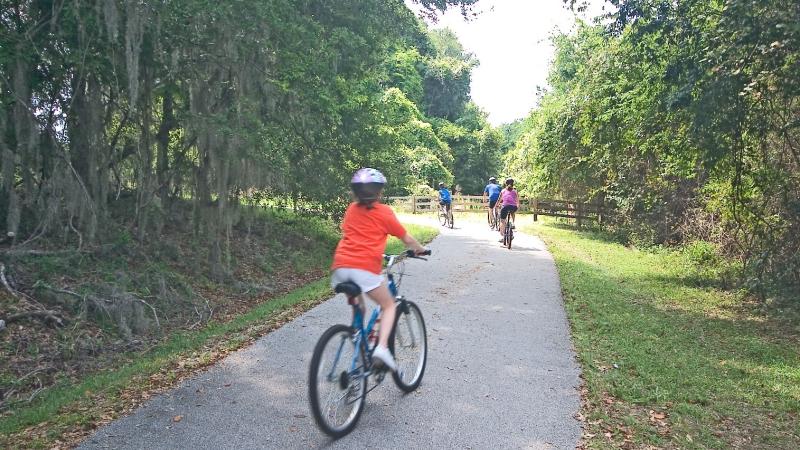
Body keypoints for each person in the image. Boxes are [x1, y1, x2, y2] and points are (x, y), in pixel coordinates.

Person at [331, 168, 427, 372]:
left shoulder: (350, 209)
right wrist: (420, 249)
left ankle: (357, 349)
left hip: (340, 267)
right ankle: (382, 349)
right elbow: (406, 238)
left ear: (355, 193)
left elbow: (353, 234)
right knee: (389, 305)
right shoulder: (384, 212)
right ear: (379, 192)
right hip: (363, 268)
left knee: (361, 309)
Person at [498, 177, 519, 241]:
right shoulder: (515, 191)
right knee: (513, 211)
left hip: (505, 207)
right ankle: (513, 223)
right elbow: (517, 201)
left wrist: (497, 205)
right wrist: (517, 206)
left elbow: (499, 200)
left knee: (502, 221)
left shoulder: (503, 190)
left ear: (505, 184)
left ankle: (502, 237)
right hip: (513, 207)